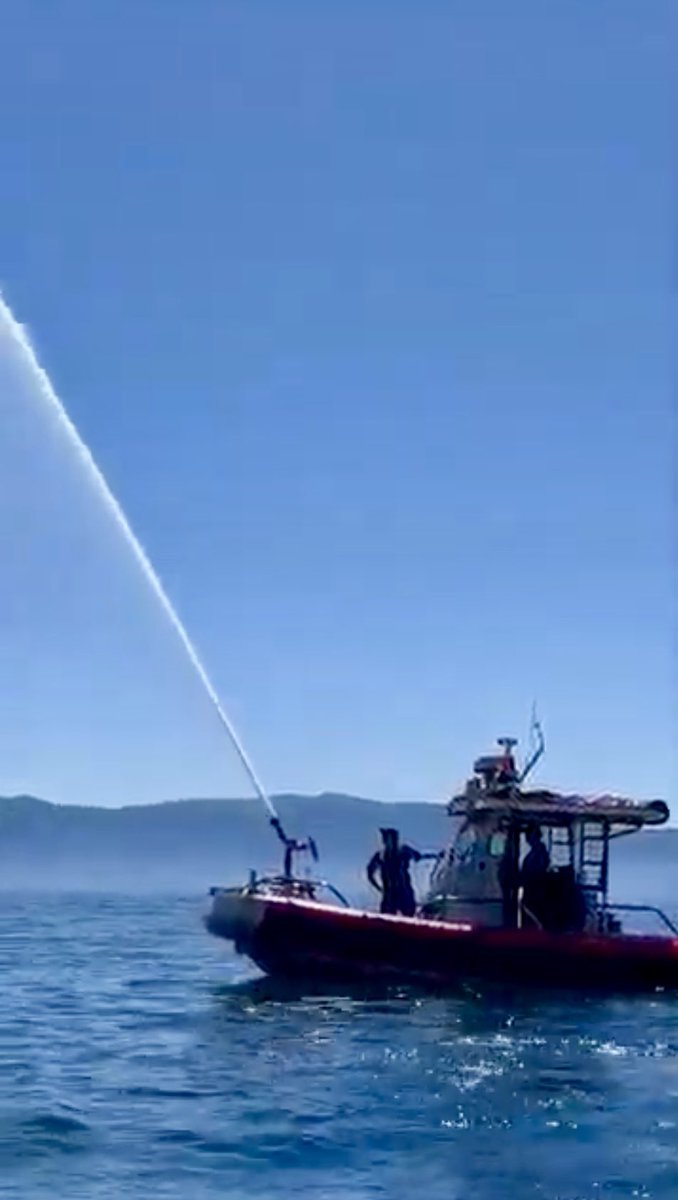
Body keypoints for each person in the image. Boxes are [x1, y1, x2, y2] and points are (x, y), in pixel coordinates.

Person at [367, 828, 434, 917]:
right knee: (386, 918)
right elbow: (370, 872)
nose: (386, 842)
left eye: (387, 838)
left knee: (409, 916)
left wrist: (435, 856)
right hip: (389, 894)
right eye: (385, 839)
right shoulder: (380, 856)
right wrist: (379, 888)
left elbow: (418, 856)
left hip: (404, 892)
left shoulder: (404, 851)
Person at [520, 823, 550, 926]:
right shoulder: (533, 853)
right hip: (530, 890)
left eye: (529, 835)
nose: (527, 839)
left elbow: (539, 872)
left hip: (537, 893)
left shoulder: (540, 853)